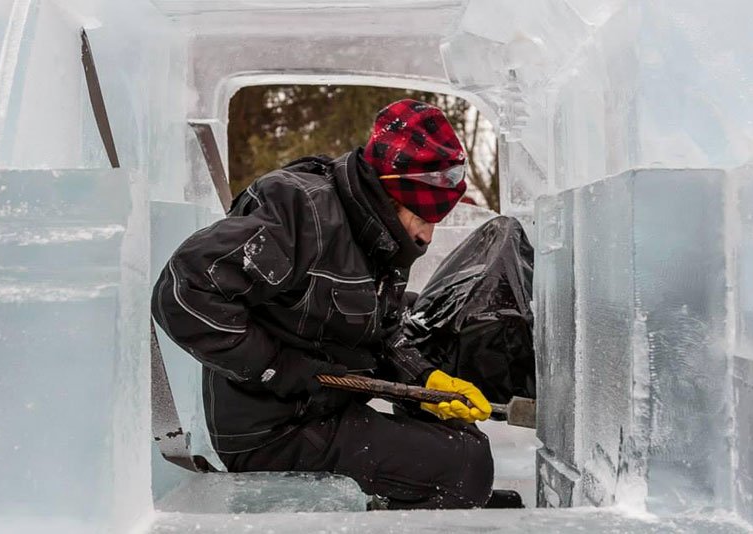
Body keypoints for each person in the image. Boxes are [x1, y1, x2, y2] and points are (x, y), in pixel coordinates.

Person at [151, 99, 495, 509]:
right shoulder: (301, 214)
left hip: (325, 407)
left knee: (463, 435)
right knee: (465, 466)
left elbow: (381, 332)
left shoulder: (379, 236)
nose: (428, 235)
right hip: (274, 428)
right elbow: (184, 291)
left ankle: (389, 503)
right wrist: (278, 367)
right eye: (422, 216)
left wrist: (424, 382)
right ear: (391, 193)